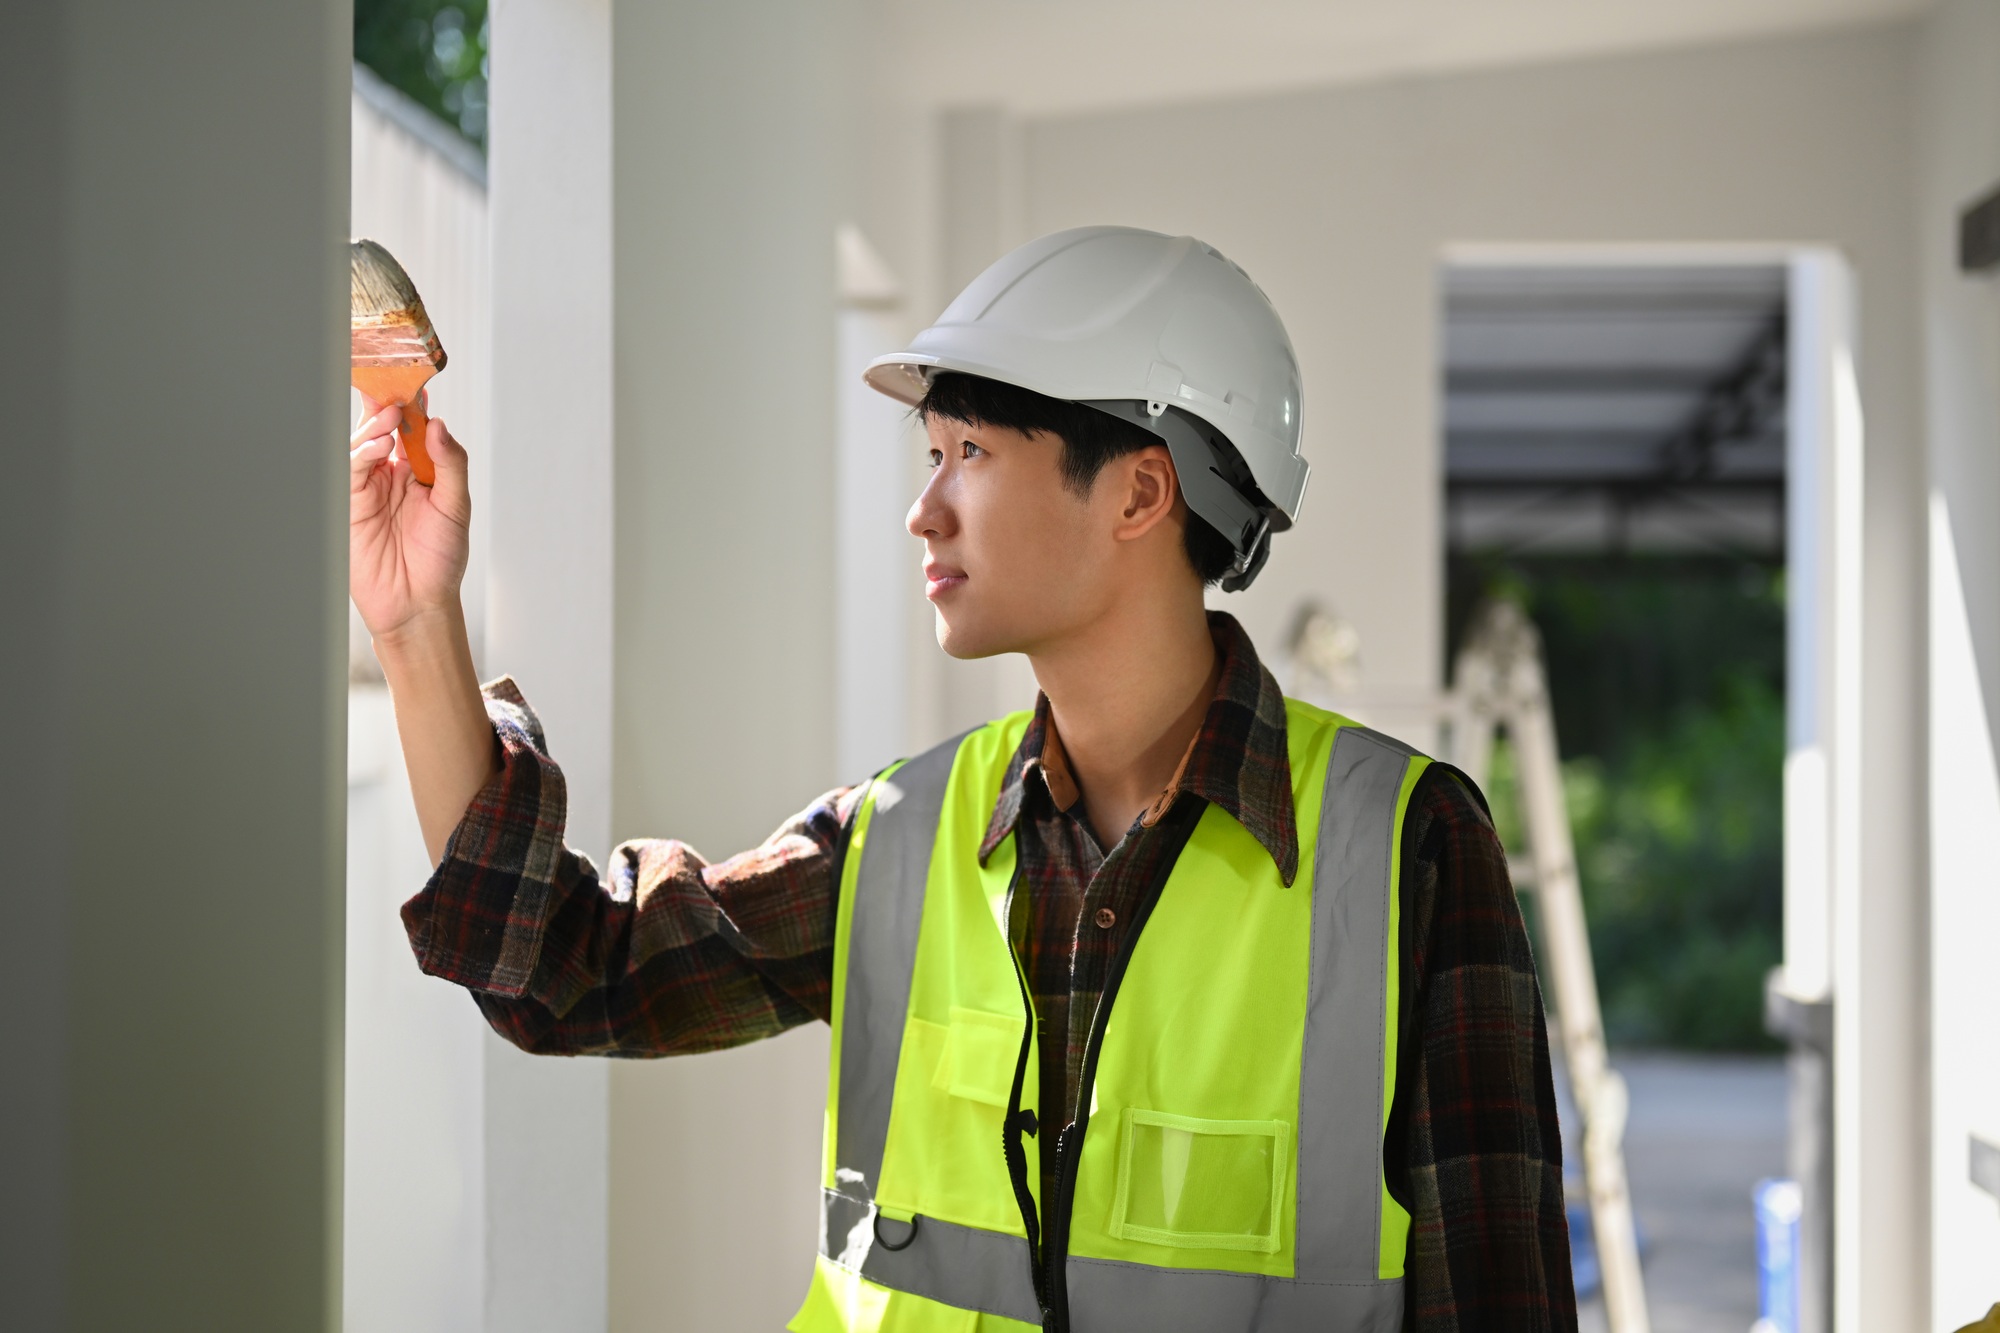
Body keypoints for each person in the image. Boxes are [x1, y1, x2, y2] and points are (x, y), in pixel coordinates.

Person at [349, 226, 1576, 1332]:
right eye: (930, 453)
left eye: (971, 452)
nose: (920, 512)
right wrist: (415, 626)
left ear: (1141, 489)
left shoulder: (1403, 848)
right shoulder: (898, 837)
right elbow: (564, 969)